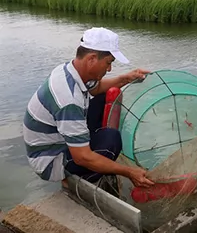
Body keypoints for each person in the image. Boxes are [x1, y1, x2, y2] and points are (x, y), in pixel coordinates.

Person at [22, 27, 155, 190]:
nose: (109, 69)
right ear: (92, 58)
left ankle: (85, 145)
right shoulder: (68, 99)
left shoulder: (70, 70)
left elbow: (96, 89)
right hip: (50, 159)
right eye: (108, 63)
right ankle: (72, 179)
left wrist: (126, 78)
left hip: (58, 137)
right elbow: (83, 157)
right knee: (111, 140)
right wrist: (129, 172)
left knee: (101, 97)